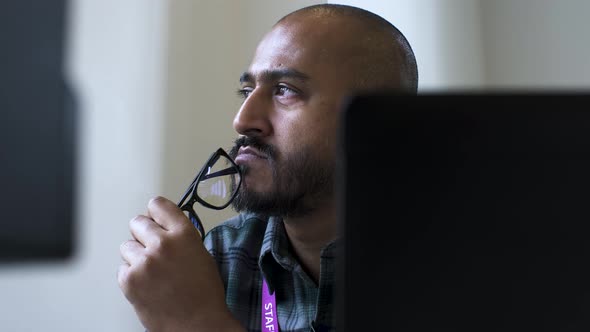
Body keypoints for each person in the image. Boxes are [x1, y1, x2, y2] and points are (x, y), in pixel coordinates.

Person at [117, 3, 418, 332]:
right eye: (246, 91)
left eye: (285, 91)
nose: (242, 121)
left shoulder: (462, 262)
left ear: (376, 122)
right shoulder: (219, 257)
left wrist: (198, 321)